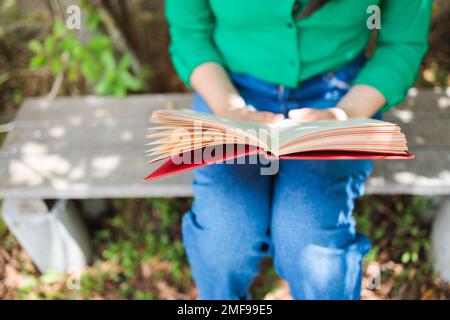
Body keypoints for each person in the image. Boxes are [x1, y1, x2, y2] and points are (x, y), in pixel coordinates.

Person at [165, 0, 432, 300]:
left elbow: (401, 44)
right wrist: (229, 107)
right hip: (227, 88)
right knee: (225, 233)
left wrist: (345, 115)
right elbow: (190, 34)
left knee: (310, 239)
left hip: (342, 94)